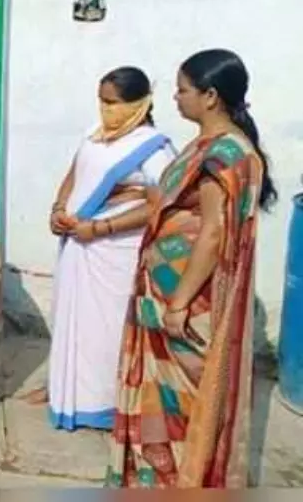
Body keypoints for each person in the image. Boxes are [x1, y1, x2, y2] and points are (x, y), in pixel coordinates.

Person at [106, 49, 276, 488]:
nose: (176, 98)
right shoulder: (203, 146)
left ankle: (181, 481)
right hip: (162, 290)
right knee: (159, 398)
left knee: (184, 401)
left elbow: (214, 233)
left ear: (211, 96)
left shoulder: (227, 154)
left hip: (189, 298)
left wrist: (179, 303)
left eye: (183, 90)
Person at [32, 67, 176, 431]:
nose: (105, 109)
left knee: (105, 332)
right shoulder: (94, 135)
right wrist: (58, 209)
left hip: (114, 253)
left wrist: (100, 228)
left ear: (139, 104)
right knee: (72, 324)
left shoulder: (153, 147)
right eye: (102, 100)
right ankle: (65, 396)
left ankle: (104, 406)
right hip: (77, 246)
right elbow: (74, 174)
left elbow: (160, 204)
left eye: (113, 102)